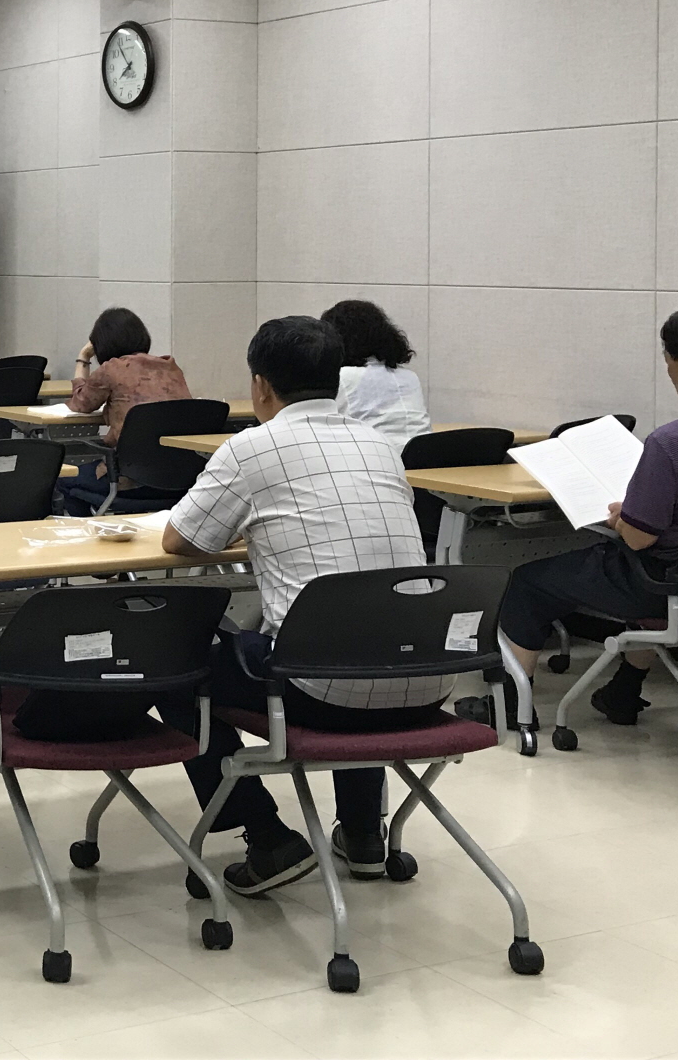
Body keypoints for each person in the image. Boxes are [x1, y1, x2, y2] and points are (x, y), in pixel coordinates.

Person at [155, 316, 448, 894]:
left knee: (175, 664)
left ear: (260, 385)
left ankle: (268, 839)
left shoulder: (250, 448)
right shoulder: (381, 448)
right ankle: (363, 834)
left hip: (324, 691)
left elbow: (179, 540)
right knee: (365, 628)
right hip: (430, 675)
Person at [485, 304, 678, 727]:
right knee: (654, 564)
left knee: (528, 582)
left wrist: (622, 517)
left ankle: (510, 709)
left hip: (670, 592)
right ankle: (624, 691)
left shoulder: (673, 441)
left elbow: (639, 537)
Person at [59, 306, 192, 514]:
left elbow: (80, 403)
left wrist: (83, 356)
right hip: (180, 480)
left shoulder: (112, 368)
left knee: (63, 478)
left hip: (128, 481)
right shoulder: (171, 368)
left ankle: (85, 532)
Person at [321, 299, 430, 447]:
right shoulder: (409, 377)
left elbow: (319, 425)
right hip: (422, 456)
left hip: (377, 456)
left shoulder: (342, 378)